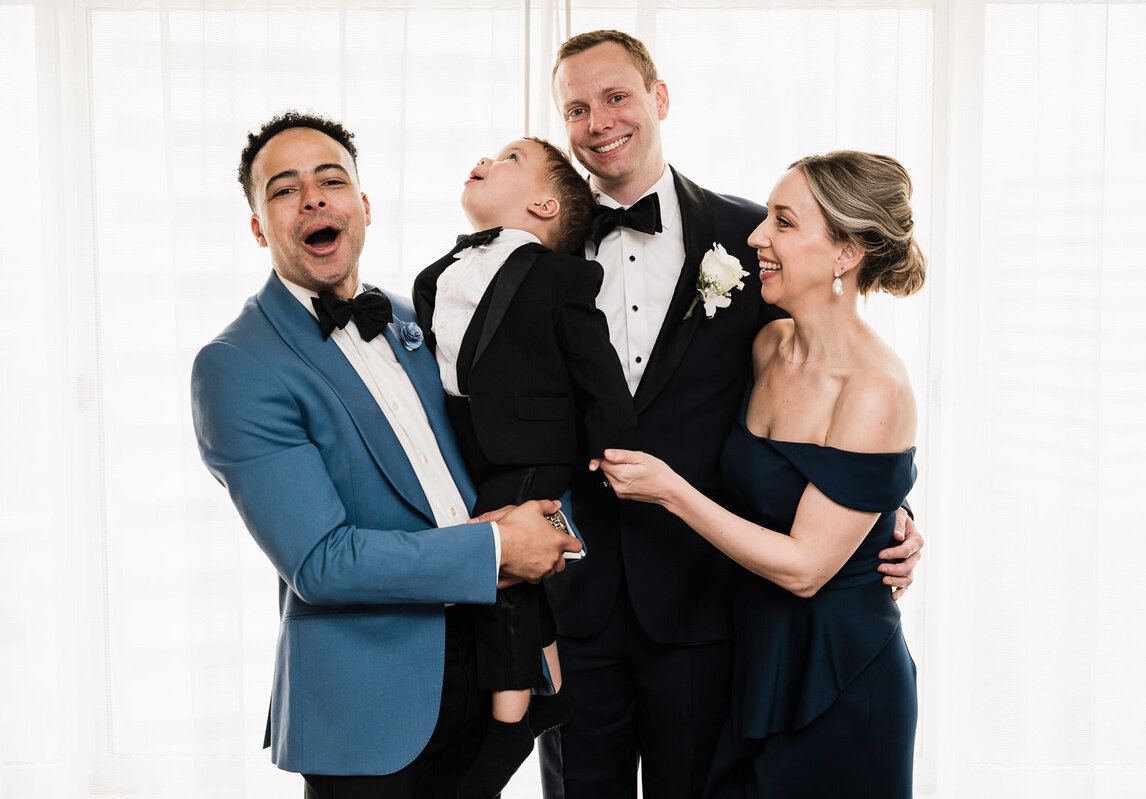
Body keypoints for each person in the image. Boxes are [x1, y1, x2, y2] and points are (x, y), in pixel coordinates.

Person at [539, 30, 926, 799]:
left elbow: (847, 392)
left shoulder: (748, 242)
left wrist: (893, 514)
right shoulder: (534, 249)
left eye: (616, 96)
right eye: (576, 108)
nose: (599, 121)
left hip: (706, 609)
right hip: (576, 602)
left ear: (659, 98)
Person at [190, 111, 581, 799]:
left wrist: (548, 521)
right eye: (285, 190)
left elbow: (512, 435)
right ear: (258, 228)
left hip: (488, 667)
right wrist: (496, 549)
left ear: (363, 206)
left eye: (331, 180)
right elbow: (321, 561)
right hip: (368, 711)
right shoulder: (235, 364)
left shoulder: (417, 316)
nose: (313, 199)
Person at [411, 136, 641, 799]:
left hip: (536, 450)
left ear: (543, 205)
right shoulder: (437, 275)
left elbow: (595, 367)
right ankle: (551, 694)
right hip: (470, 457)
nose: (486, 159)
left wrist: (612, 446)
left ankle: (509, 727)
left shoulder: (559, 276)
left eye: (510, 158)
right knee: (505, 574)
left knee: (502, 571)